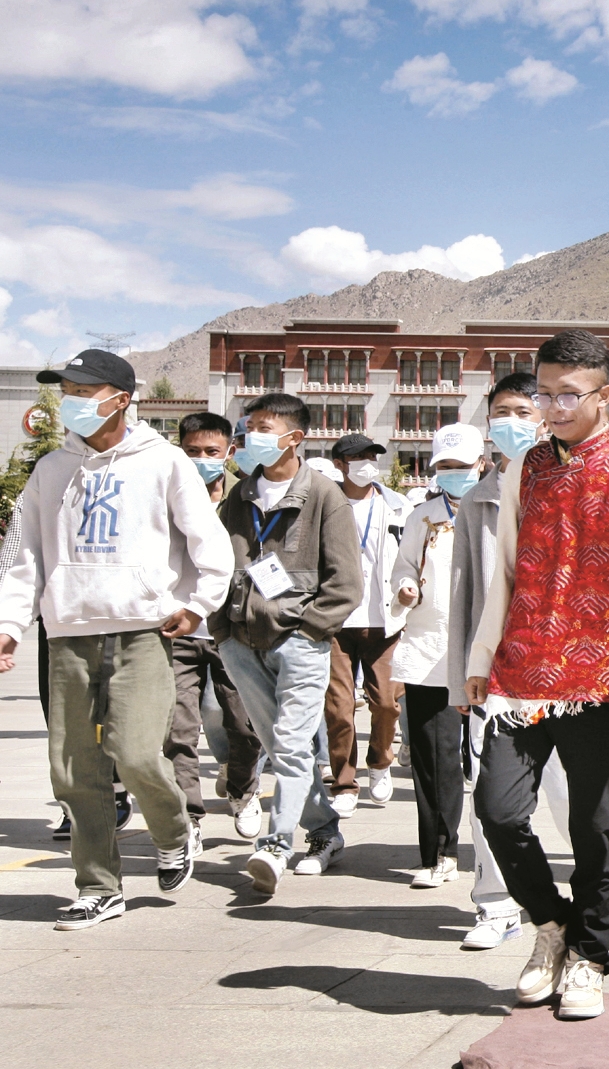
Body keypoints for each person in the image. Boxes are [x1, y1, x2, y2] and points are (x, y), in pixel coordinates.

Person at [465, 329, 609, 1020]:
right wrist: (481, 657)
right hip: (522, 671)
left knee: (597, 828)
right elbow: (504, 572)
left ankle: (590, 956)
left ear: (604, 395)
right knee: (497, 810)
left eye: (568, 395)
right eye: (544, 394)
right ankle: (550, 922)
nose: (553, 408)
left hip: (600, 672)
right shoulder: (523, 468)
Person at [0, 350, 231, 930]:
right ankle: (98, 887)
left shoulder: (165, 462)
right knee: (73, 771)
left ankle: (173, 830)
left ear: (121, 399)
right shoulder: (50, 468)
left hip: (141, 630)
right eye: (67, 391)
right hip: (68, 633)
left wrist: (197, 604)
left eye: (83, 391)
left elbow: (208, 542)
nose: (70, 401)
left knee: (135, 753)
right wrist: (8, 624)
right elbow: (23, 555)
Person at [212, 393, 364, 895]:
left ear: (294, 438)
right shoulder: (239, 496)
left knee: (295, 745)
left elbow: (346, 583)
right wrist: (222, 631)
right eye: (249, 425)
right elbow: (218, 565)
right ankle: (324, 831)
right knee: (280, 747)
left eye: (263, 427)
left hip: (300, 641)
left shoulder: (324, 495)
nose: (250, 435)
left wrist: (310, 630)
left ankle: (275, 847)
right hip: (240, 641)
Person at [449, 371, 572, 950]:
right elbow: (464, 594)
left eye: (524, 411)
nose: (513, 423)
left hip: (563, 669)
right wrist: (462, 678)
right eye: (502, 412)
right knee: (489, 794)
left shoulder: (570, 482)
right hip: (498, 672)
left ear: (546, 417)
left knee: (568, 784)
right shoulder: (476, 500)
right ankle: (495, 903)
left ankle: (594, 870)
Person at [390, 423, 483, 888]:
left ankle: (499, 851)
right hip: (430, 648)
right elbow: (403, 567)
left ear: (480, 464)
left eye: (460, 466)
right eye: (444, 466)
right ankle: (439, 852)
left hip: (486, 647)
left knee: (492, 758)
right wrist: (405, 587)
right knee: (435, 755)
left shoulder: (499, 507)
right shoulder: (421, 516)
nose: (452, 473)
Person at [169, 412, 264, 842]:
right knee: (178, 730)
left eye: (211, 451)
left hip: (233, 630)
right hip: (178, 629)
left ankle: (243, 790)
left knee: (243, 725)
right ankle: (188, 817)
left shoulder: (247, 498)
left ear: (229, 452)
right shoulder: (165, 493)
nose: (202, 459)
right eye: (192, 451)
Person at [325, 433, 410, 817]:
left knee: (387, 703)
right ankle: (344, 782)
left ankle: (379, 762)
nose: (366, 464)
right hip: (336, 622)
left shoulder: (397, 505)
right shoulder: (324, 504)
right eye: (357, 457)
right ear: (340, 464)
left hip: (384, 619)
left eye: (371, 457)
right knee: (339, 709)